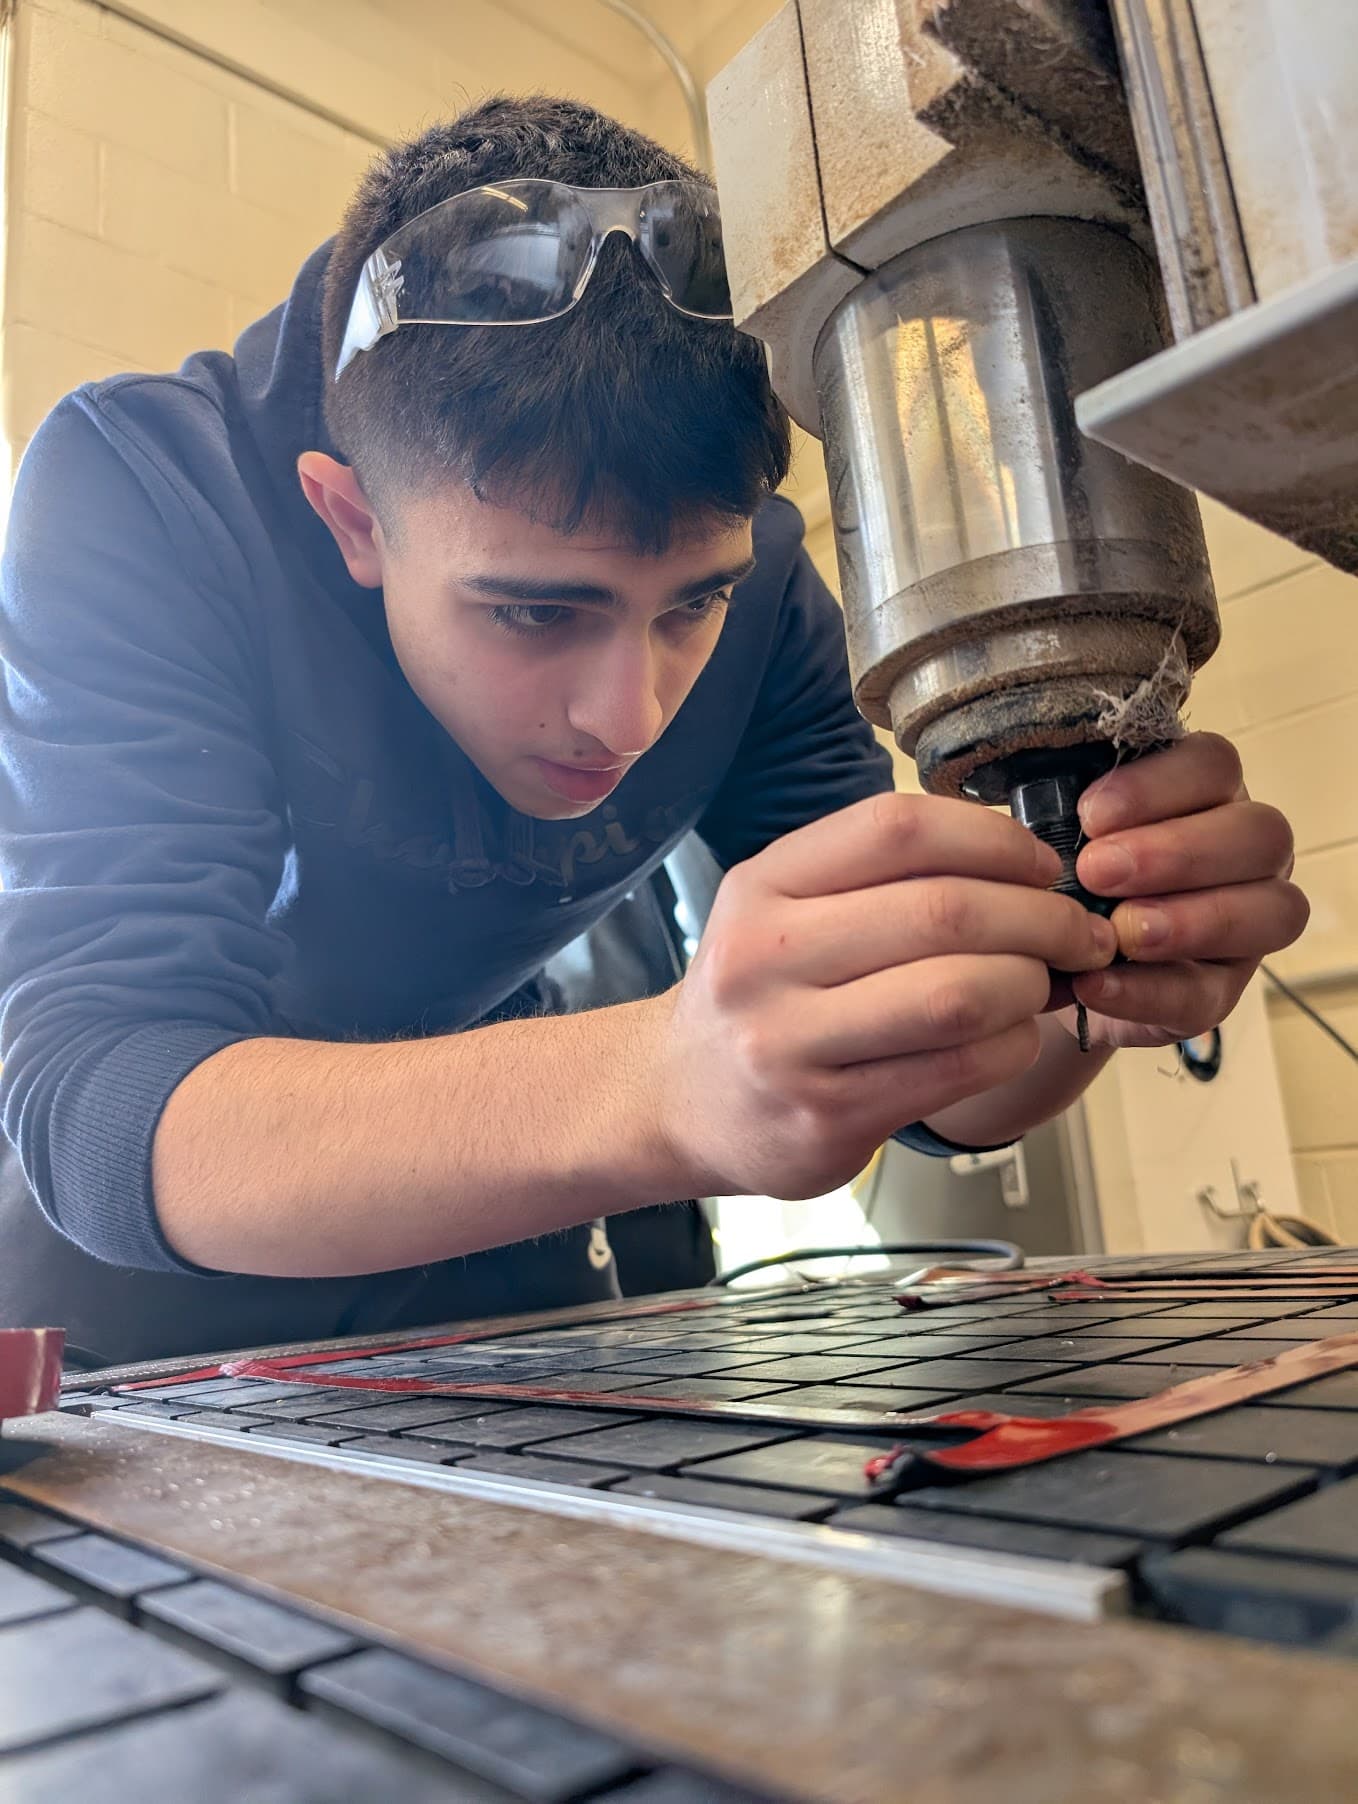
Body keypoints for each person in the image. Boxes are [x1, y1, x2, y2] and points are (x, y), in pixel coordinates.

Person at [0, 98, 1307, 1366]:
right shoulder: (150, 492)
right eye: (530, 612)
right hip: (143, 1287)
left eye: (691, 604)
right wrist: (666, 1080)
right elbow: (103, 1100)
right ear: (352, 522)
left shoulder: (770, 588)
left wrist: (1083, 971)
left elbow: (929, 1085)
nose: (626, 716)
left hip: (496, 1233)